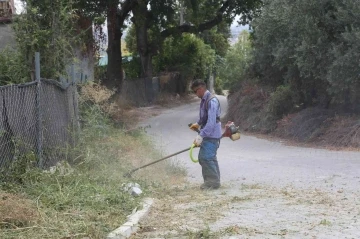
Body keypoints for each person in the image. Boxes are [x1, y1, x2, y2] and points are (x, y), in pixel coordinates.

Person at [189, 80, 222, 190]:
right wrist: (197, 124)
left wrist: (201, 136)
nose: (195, 94)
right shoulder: (204, 100)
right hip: (209, 134)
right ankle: (214, 181)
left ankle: (212, 183)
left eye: (195, 92)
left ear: (201, 89)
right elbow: (204, 117)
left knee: (205, 158)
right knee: (210, 158)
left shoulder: (211, 101)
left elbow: (211, 122)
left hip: (211, 135)